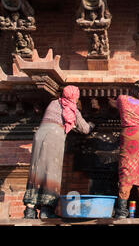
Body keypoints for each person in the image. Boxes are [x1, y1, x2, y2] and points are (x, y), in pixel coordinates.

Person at [23, 85, 95, 219]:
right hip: (54, 138)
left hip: (40, 136)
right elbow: (84, 129)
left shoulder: (53, 103)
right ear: (74, 96)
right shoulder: (72, 109)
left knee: (36, 170)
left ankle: (29, 210)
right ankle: (46, 210)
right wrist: (91, 126)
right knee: (51, 172)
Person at [109, 81, 139, 218]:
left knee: (126, 167)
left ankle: (122, 210)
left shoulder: (122, 99)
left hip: (128, 136)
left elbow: (114, 105)